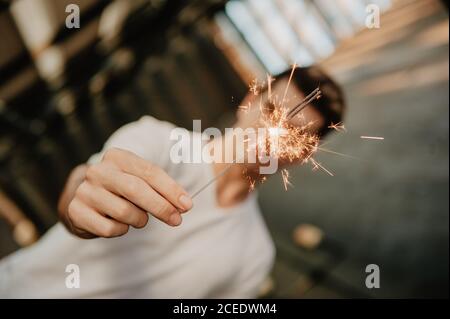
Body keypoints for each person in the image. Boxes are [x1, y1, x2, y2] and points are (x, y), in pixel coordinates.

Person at [0, 66, 344, 298]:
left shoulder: (255, 255)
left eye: (296, 134)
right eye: (271, 112)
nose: (274, 135)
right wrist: (82, 198)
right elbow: (86, 185)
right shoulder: (157, 140)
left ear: (303, 154)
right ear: (249, 101)